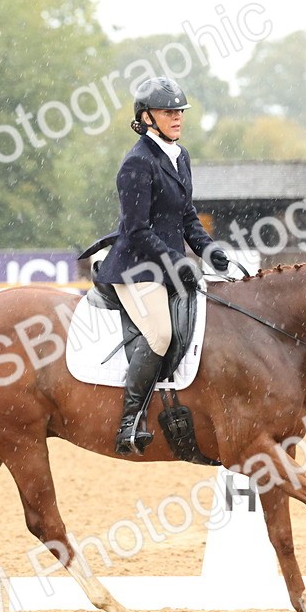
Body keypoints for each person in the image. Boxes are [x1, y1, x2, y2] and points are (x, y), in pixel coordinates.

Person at [80, 77, 230, 455]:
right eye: (169, 112)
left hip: (167, 264)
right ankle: (130, 420)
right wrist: (175, 260)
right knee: (160, 334)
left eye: (180, 111)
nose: (177, 118)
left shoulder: (180, 157)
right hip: (135, 267)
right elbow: (136, 229)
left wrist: (209, 249)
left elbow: (187, 216)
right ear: (146, 118)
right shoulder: (136, 163)